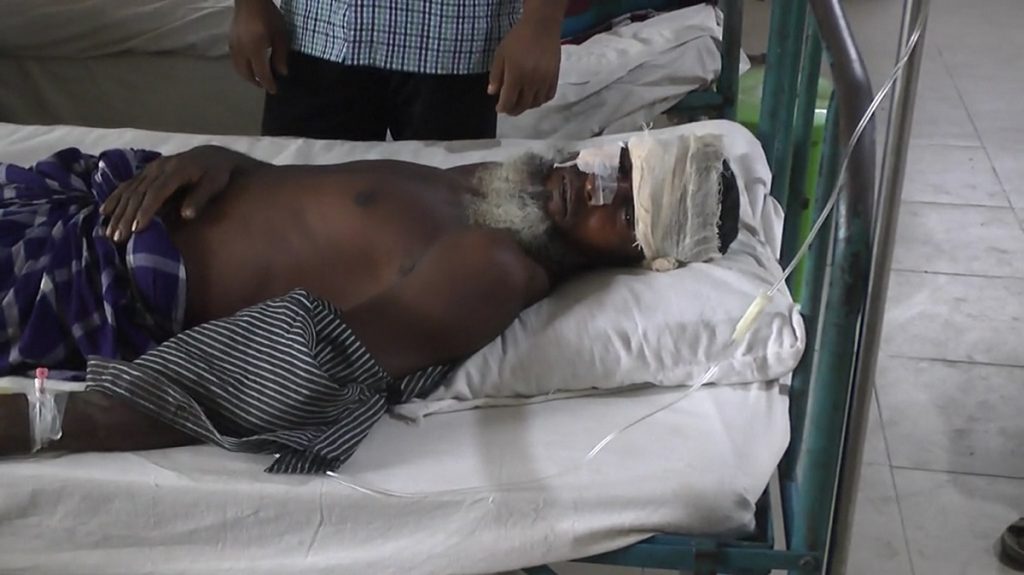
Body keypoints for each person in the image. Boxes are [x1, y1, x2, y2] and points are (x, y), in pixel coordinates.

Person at [0, 133, 741, 472]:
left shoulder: (493, 269)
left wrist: (52, 421)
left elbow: (299, 364)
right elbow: (312, 206)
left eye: (626, 208)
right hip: (97, 207)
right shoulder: (507, 191)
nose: (595, 185)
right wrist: (221, 162)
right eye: (619, 165)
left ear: (637, 257)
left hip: (96, 281)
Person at [231, 0, 566, 141]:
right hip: (318, 33)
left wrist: (542, 21)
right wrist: (250, 4)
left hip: (457, 40)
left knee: (447, 226)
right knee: (291, 216)